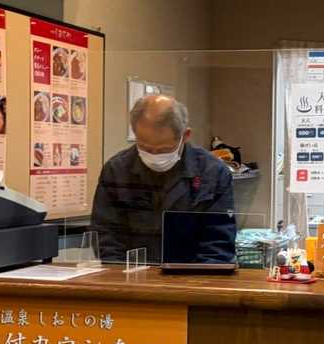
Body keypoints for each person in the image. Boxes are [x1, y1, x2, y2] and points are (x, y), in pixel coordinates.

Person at [92, 95, 234, 262]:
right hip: (131, 271)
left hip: (193, 272)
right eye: (145, 148)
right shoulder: (117, 170)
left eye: (164, 150)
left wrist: (195, 277)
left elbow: (218, 243)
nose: (154, 155)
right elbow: (106, 234)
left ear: (185, 135)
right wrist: (120, 273)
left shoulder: (212, 172)